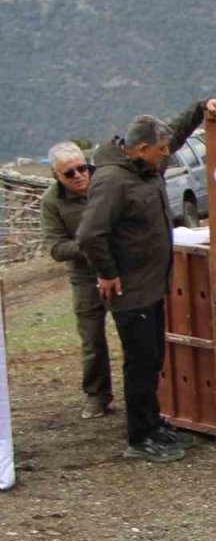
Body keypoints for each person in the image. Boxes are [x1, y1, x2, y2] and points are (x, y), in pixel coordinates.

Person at [77, 98, 216, 462]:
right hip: (131, 290)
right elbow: (89, 234)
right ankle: (139, 436)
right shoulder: (113, 181)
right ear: (141, 148)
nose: (165, 156)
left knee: (154, 358)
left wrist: (201, 106)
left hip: (152, 285)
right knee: (141, 362)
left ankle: (154, 422)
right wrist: (108, 272)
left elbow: (173, 132)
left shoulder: (145, 165)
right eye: (161, 152)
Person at [40, 142, 114, 419]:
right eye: (69, 173)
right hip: (85, 276)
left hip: (123, 270)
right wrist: (88, 245)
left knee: (137, 333)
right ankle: (97, 396)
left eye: (82, 168)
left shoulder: (108, 183)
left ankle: (147, 395)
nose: (79, 175)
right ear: (57, 176)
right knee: (92, 339)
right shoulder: (51, 202)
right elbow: (56, 248)